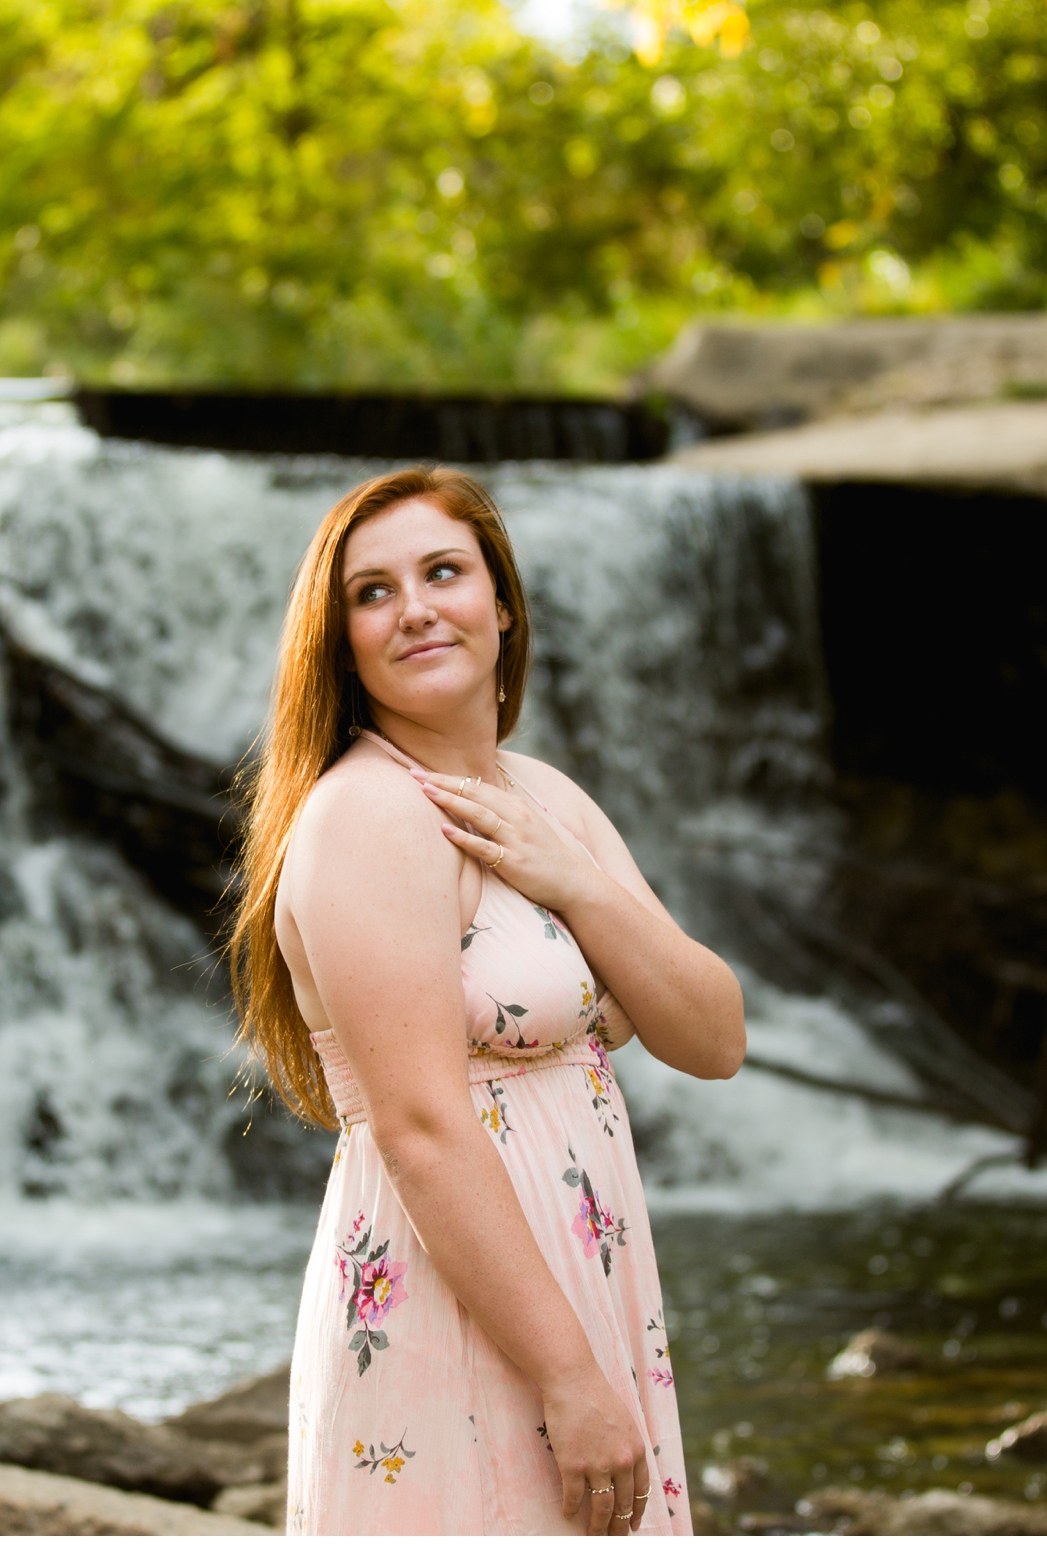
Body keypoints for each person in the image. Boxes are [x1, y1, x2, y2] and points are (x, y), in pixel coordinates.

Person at [228, 466, 748, 1535]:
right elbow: (421, 1130)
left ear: (500, 604)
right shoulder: (366, 817)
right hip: (463, 1306)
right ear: (343, 641)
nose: (413, 607)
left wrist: (578, 881)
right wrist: (567, 1375)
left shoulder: (545, 799)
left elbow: (713, 1036)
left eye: (443, 572)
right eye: (372, 592)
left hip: (574, 1287)